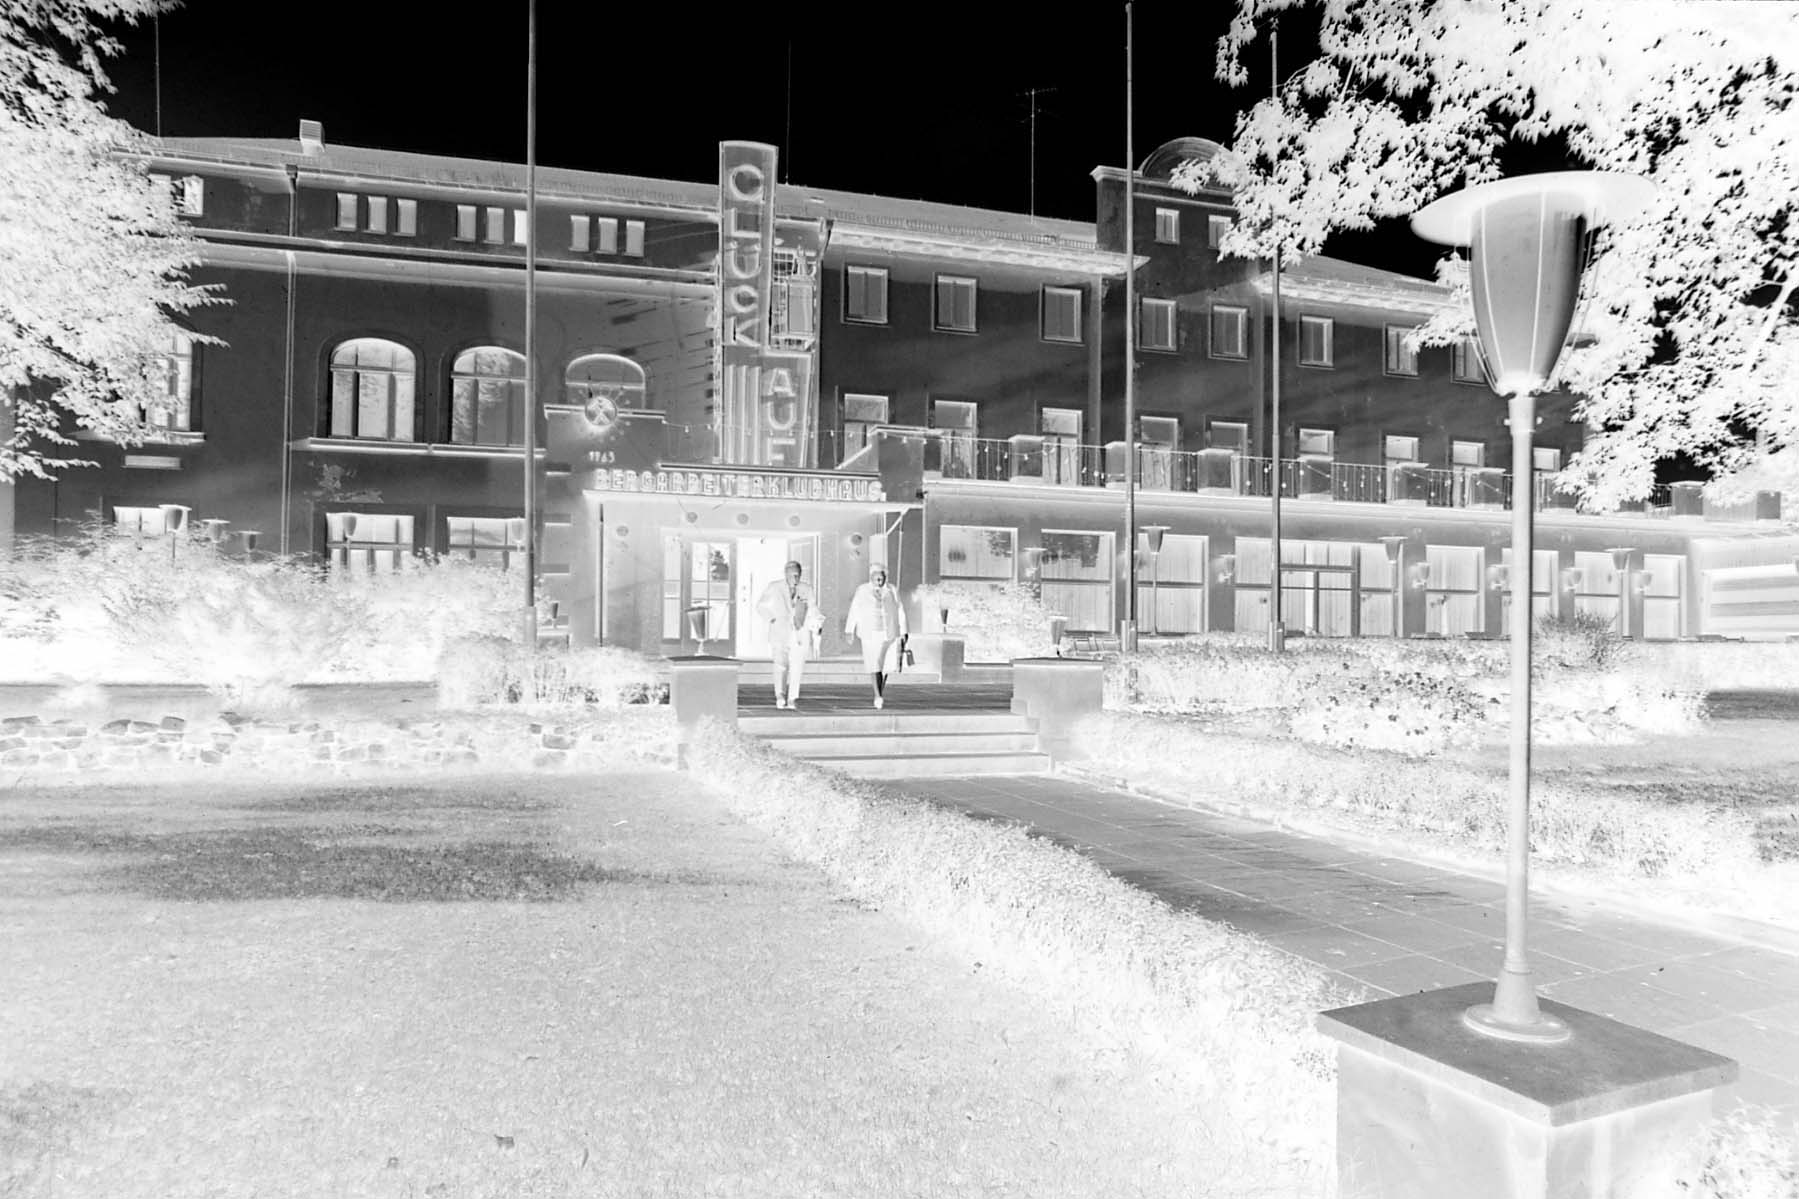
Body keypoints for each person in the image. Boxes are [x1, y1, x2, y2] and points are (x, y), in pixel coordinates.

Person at [755, 560, 822, 709]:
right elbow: (760, 606)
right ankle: (780, 695)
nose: (795, 578)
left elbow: (813, 608)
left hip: (799, 632)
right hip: (780, 631)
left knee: (797, 665)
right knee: (780, 664)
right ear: (786, 574)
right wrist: (771, 618)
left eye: (798, 575)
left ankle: (792, 698)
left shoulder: (807, 589)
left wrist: (817, 622)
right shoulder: (774, 587)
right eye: (792, 575)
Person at [844, 563, 908, 709]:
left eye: (882, 578)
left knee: (885, 666)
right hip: (870, 633)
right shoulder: (862, 590)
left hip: (888, 633)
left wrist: (904, 631)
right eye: (876, 578)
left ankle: (879, 692)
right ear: (871, 577)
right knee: (874, 663)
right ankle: (878, 695)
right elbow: (854, 609)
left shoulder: (892, 590)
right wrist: (849, 630)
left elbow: (900, 610)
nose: (879, 581)